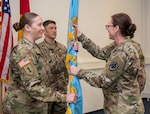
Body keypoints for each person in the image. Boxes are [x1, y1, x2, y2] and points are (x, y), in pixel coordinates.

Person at [70, 13, 146, 114]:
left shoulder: (122, 52)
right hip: (125, 105)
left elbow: (102, 81)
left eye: (108, 26)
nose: (107, 28)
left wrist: (80, 72)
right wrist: (81, 36)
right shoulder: (119, 46)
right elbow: (100, 53)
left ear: (116, 28)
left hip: (124, 109)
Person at [2, 12, 77, 114]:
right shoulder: (24, 52)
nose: (42, 28)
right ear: (28, 27)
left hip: (36, 106)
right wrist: (64, 97)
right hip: (22, 108)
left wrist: (72, 51)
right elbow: (33, 87)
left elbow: (50, 70)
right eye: (39, 25)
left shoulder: (35, 48)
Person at [38, 20, 79, 114]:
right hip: (46, 92)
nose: (54, 30)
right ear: (44, 31)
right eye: (51, 28)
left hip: (61, 91)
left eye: (55, 28)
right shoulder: (38, 49)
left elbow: (68, 65)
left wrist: (74, 51)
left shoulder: (63, 48)